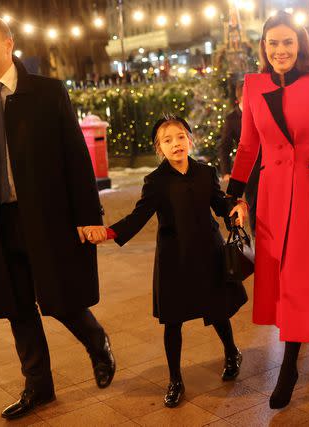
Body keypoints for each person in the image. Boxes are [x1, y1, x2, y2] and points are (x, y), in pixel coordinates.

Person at [0, 15, 114, 420]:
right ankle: (38, 387)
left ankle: (97, 342)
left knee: (59, 299)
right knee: (17, 307)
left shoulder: (48, 92)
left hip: (44, 218)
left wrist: (87, 215)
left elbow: (76, 159)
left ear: (8, 44)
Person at [227, 11, 309, 409]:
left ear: (299, 43)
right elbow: (249, 145)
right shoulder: (253, 85)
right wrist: (233, 191)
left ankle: (287, 369)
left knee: (302, 278)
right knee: (288, 279)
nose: (281, 50)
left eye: (288, 42)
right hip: (270, 194)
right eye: (273, 43)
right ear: (264, 48)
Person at [85, 116, 248, 408]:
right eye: (168, 140)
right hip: (174, 259)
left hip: (208, 253)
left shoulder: (205, 172)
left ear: (190, 140)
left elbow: (219, 203)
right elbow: (138, 217)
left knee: (218, 312)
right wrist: (109, 232)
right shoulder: (156, 182)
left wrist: (235, 206)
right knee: (173, 322)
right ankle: (175, 380)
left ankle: (232, 352)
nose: (176, 144)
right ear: (159, 148)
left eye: (181, 137)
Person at [219, 80, 262, 236]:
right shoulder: (232, 119)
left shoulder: (262, 112)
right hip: (251, 170)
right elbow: (224, 146)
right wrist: (226, 172)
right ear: (241, 98)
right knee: (254, 206)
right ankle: (259, 239)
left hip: (270, 166)